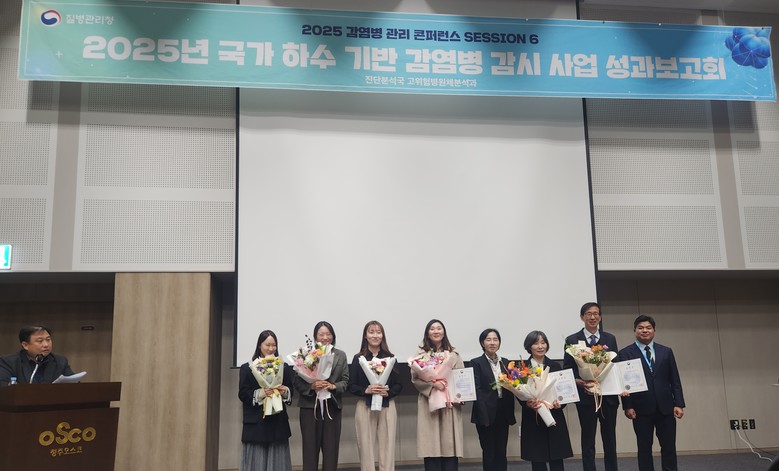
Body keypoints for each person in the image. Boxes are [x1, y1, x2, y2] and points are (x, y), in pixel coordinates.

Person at [617, 315, 685, 471]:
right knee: (644, 448)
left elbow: (674, 379)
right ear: (634, 331)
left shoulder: (666, 351)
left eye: (648, 328)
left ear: (654, 330)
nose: (644, 331)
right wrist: (628, 406)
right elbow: (623, 384)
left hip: (666, 407)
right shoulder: (625, 353)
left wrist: (679, 403)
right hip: (640, 408)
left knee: (669, 447)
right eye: (640, 328)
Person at [563, 302, 620, 471]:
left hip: (608, 397)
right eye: (588, 314)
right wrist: (578, 380)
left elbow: (615, 365)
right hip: (586, 397)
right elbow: (568, 368)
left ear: (600, 317)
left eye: (596, 314)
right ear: (582, 317)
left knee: (610, 439)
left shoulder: (610, 338)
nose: (593, 317)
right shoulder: (572, 340)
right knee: (588, 439)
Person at [293, 321, 349, 471]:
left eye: (328, 334)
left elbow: (345, 381)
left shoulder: (340, 355)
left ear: (333, 336)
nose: (325, 337)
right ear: (315, 337)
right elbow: (297, 382)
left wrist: (333, 386)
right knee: (310, 451)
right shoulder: (306, 354)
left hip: (332, 407)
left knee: (331, 451)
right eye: (321, 334)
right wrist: (311, 386)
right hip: (309, 408)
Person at [348, 321, 403, 471]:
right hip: (364, 405)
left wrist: (388, 392)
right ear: (365, 336)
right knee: (366, 447)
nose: (375, 335)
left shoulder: (390, 358)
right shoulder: (358, 358)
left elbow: (399, 385)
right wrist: (366, 390)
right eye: (371, 332)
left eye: (378, 332)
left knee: (388, 446)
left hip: (387, 406)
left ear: (383, 335)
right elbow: (351, 385)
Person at [412, 319, 464, 471]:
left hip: (449, 404)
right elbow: (415, 379)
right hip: (429, 403)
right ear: (427, 333)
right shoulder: (421, 355)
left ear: (444, 332)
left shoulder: (453, 354)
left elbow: (461, 378)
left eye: (439, 328)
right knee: (431, 445)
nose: (436, 331)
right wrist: (432, 384)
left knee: (449, 444)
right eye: (432, 329)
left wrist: (460, 397)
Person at [238, 330, 293, 471]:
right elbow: (243, 394)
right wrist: (261, 393)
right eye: (267, 345)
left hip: (277, 423)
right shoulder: (247, 368)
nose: (271, 348)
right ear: (259, 345)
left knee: (278, 463)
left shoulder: (283, 367)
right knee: (256, 463)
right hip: (256, 424)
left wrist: (285, 391)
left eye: (274, 345)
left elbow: (291, 391)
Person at [519, 330, 573, 471]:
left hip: (554, 415)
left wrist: (560, 403)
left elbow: (562, 390)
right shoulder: (523, 368)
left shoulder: (555, 366)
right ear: (529, 346)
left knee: (556, 457)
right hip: (533, 417)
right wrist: (527, 403)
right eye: (536, 343)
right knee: (537, 458)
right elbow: (518, 392)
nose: (540, 346)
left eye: (543, 343)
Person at [470, 328, 516, 471]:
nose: (492, 343)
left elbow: (514, 386)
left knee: (501, 451)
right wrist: (484, 415)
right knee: (489, 452)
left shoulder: (506, 363)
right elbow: (477, 390)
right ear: (482, 343)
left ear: (499, 343)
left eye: (495, 339)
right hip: (485, 413)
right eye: (488, 340)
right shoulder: (476, 363)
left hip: (503, 412)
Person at [0, 325, 74, 386]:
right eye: (40, 341)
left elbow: (73, 384)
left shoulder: (60, 361)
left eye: (48, 339)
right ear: (25, 345)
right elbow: (4, 388)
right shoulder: (8, 363)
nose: (46, 345)